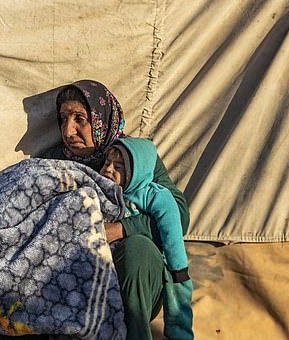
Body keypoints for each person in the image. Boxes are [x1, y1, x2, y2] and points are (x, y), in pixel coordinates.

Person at [41, 79, 191, 340]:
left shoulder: (135, 156)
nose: (68, 131)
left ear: (101, 119)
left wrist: (120, 229)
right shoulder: (57, 163)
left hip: (134, 280)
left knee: (139, 248)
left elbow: (178, 215)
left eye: (80, 119)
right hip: (73, 276)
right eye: (63, 119)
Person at [101, 137, 194, 339]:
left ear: (137, 172)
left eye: (118, 166)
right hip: (99, 275)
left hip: (138, 276)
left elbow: (174, 234)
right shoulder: (103, 192)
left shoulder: (154, 196)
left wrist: (178, 273)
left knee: (138, 248)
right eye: (106, 163)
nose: (108, 170)